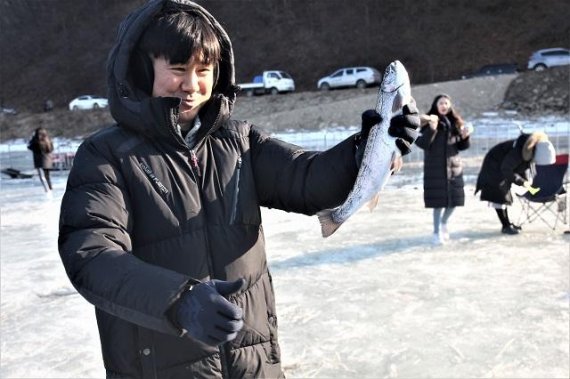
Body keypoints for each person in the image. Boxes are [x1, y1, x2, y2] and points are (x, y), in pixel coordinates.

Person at [57, 1, 419, 377]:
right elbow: (91, 255)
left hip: (253, 362)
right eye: (178, 69)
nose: (192, 85)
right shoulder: (107, 155)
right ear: (143, 69)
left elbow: (306, 178)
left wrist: (365, 150)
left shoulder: (239, 142)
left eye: (203, 70)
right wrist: (179, 301)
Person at [415, 94, 471, 245]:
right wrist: (432, 130)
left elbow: (461, 147)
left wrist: (465, 137)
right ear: (436, 105)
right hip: (436, 168)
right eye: (441, 103)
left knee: (454, 202)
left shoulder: (455, 123)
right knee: (439, 203)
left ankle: (444, 223)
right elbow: (422, 144)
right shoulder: (428, 123)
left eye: (446, 103)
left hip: (454, 168)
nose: (444, 106)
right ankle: (436, 233)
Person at [475, 131, 556, 234]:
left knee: (502, 195)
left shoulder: (530, 150)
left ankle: (507, 224)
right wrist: (522, 182)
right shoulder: (519, 152)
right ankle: (505, 226)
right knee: (500, 195)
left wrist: (526, 181)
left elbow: (521, 166)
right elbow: (507, 168)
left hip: (502, 166)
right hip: (494, 167)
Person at [27, 127, 54, 194]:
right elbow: (52, 149)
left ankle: (47, 190)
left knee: (42, 177)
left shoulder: (36, 142)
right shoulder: (48, 140)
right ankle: (50, 188)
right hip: (48, 161)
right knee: (47, 176)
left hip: (40, 162)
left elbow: (29, 147)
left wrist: (32, 138)